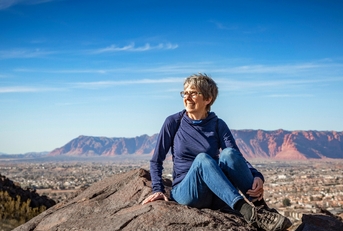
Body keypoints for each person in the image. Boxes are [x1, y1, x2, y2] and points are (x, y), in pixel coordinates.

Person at [142, 73, 292, 231]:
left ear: (208, 99)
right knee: (202, 159)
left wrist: (256, 175)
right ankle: (248, 212)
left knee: (229, 154)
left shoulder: (217, 124)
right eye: (185, 93)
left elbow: (236, 156)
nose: (187, 97)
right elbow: (156, 160)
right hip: (187, 192)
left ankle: (262, 209)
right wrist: (158, 189)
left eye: (193, 93)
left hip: (215, 193)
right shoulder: (174, 122)